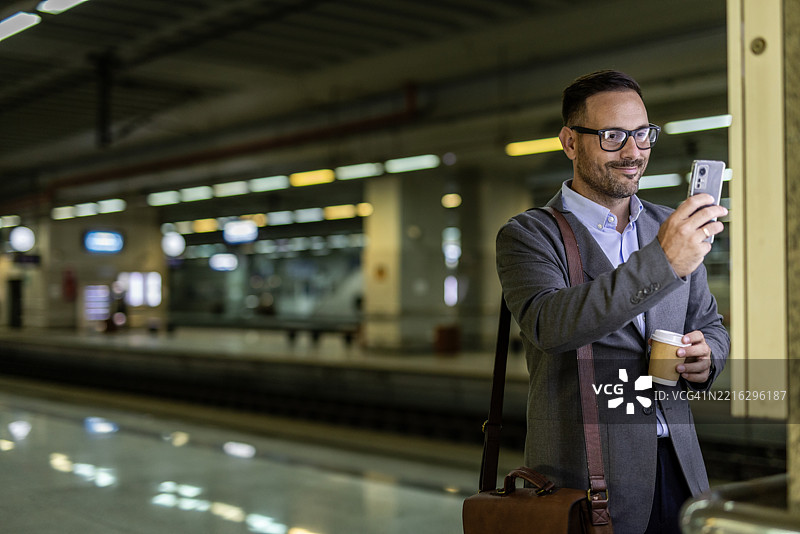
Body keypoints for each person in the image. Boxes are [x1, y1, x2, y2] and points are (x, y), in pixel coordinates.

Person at [495, 70, 730, 534]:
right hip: (587, 482)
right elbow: (550, 324)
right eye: (612, 136)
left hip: (681, 473)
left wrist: (709, 357)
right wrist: (664, 261)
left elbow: (711, 324)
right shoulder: (528, 235)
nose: (633, 151)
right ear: (570, 142)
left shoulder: (670, 225)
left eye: (642, 134)